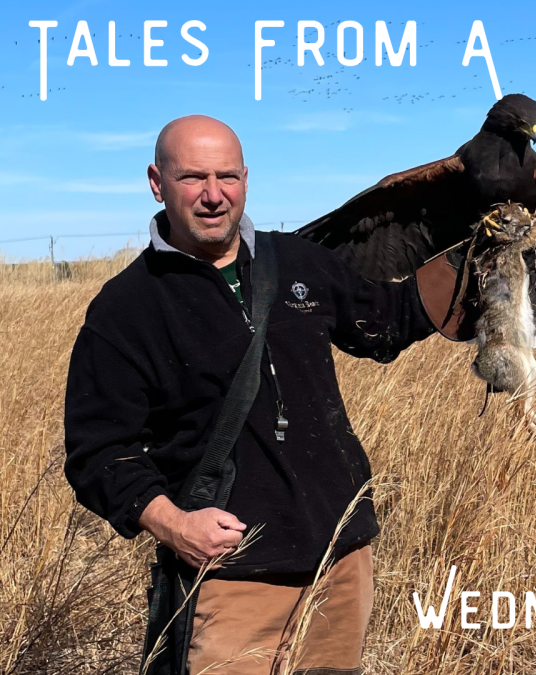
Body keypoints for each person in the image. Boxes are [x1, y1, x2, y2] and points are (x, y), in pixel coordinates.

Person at [62, 115, 438, 674]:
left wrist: (479, 259)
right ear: (156, 181)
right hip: (231, 573)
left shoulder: (298, 261)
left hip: (339, 556)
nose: (214, 196)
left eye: (228, 177)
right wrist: (174, 525)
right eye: (193, 178)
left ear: (245, 178)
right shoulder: (126, 308)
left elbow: (389, 322)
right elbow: (97, 452)